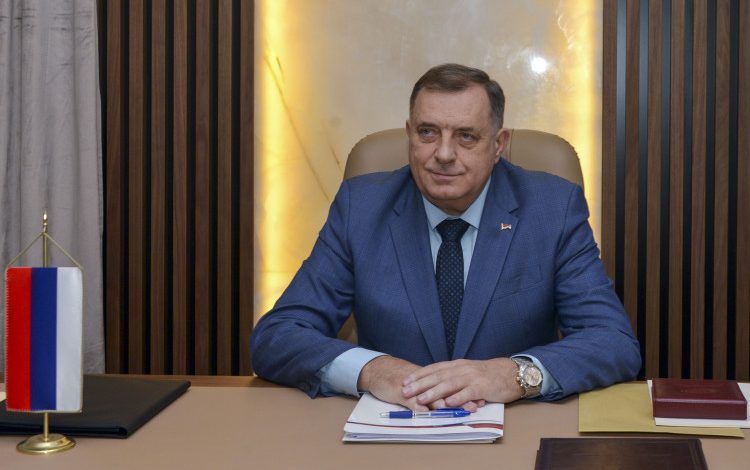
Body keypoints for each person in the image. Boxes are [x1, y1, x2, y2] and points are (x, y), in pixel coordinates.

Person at [251, 63, 640, 412]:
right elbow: (277, 337)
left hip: (515, 433)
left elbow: (613, 342)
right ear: (409, 135)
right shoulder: (362, 208)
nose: (444, 153)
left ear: (499, 144)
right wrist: (372, 369)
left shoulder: (551, 209)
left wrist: (514, 375)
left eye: (466, 136)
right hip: (390, 431)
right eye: (428, 132)